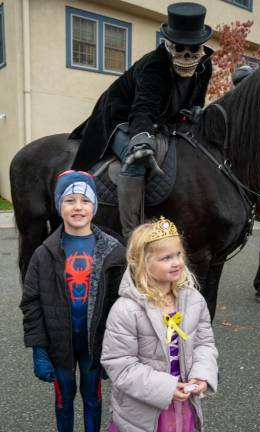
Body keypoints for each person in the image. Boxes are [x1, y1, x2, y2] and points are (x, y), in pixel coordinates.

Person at [70, 2, 214, 239]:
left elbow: (196, 102)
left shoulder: (204, 65)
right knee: (136, 159)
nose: (187, 55)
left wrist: (195, 112)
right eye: (180, 48)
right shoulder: (153, 66)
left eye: (193, 49)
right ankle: (131, 236)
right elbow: (142, 109)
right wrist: (141, 142)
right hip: (120, 117)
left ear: (201, 47)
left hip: (162, 123)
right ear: (169, 44)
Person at [20, 170, 126, 432]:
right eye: (69, 200)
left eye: (85, 200)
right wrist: (38, 348)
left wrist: (115, 349)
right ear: (59, 205)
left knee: (93, 398)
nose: (78, 207)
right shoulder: (44, 253)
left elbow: (121, 303)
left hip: (94, 346)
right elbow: (31, 302)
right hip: (59, 346)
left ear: (95, 206)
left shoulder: (114, 251)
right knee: (63, 400)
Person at [101, 216, 218, 432]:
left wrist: (201, 374)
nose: (176, 262)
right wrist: (166, 387)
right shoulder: (126, 310)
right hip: (142, 410)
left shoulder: (194, 300)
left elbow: (204, 344)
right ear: (143, 263)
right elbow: (120, 364)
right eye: (165, 258)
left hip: (183, 406)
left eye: (178, 254)